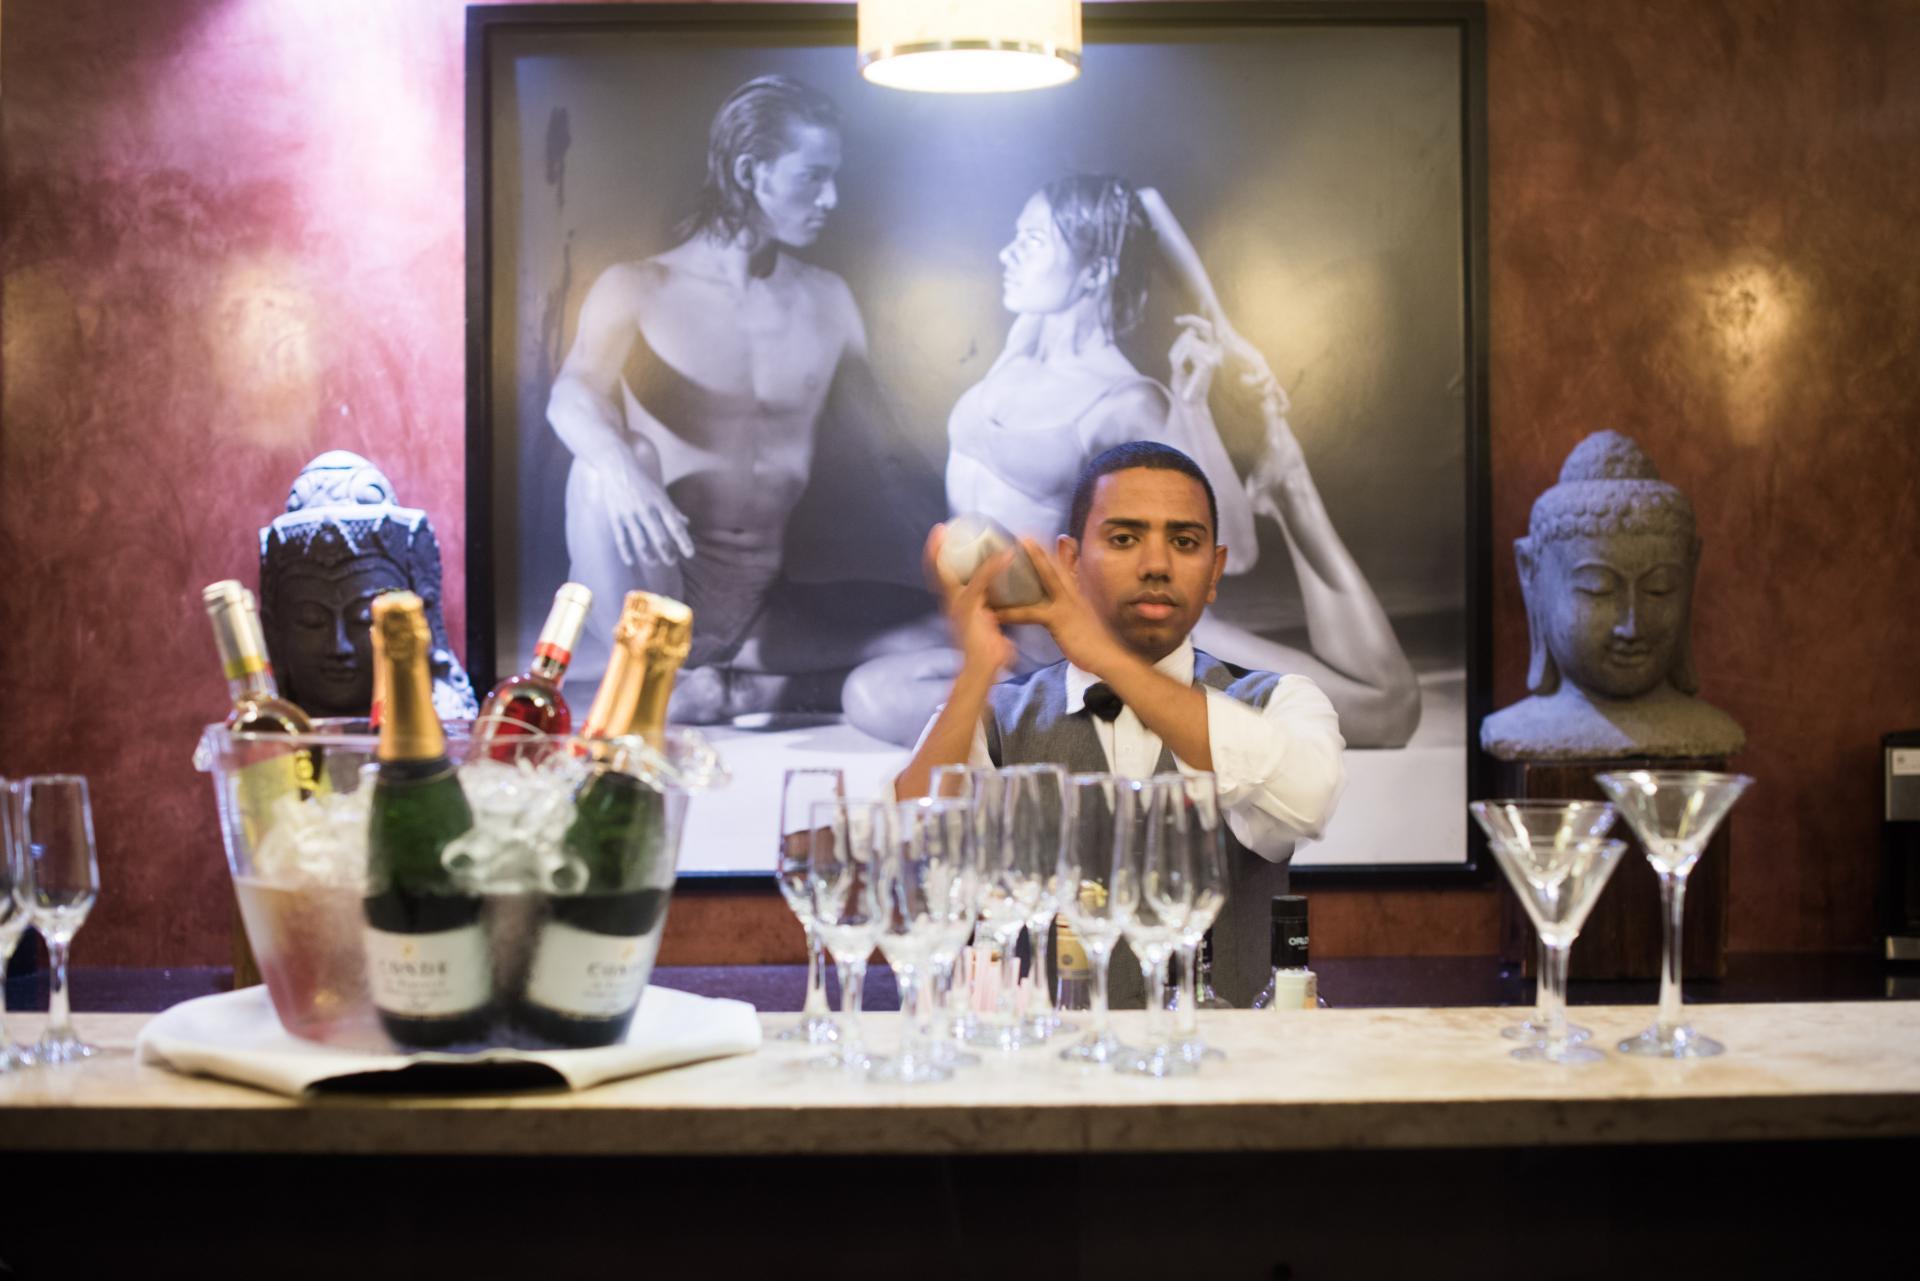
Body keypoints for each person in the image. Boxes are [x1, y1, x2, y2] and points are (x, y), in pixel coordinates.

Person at [841, 174, 1421, 750]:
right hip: (1026, 657)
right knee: (871, 694)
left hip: (1131, 651)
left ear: (1093, 271)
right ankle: (1089, 728)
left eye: (1035, 240)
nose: (1008, 253)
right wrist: (1224, 327)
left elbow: (1233, 553)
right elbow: (1142, 203)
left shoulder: (1125, 400)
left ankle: (1289, 489)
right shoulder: (1025, 341)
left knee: (1385, 711)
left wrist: (1209, 375)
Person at [896, 442, 1347, 1007]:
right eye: (1124, 538)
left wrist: (1106, 657)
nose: (1156, 565)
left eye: (1184, 542)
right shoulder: (993, 718)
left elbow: (1308, 797)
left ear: (1214, 571)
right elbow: (905, 848)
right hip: (1043, 1081)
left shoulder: (1280, 700)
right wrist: (974, 674)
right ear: (1070, 561)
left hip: (1226, 1078)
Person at [547, 74, 920, 720]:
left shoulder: (827, 299)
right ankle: (647, 674)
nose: (831, 198)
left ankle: (733, 692)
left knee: (978, 635)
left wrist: (976, 546)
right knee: (602, 463)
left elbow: (888, 454)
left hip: (760, 607)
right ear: (751, 172)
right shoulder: (641, 286)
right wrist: (620, 468)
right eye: (812, 176)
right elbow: (570, 393)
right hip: (661, 586)